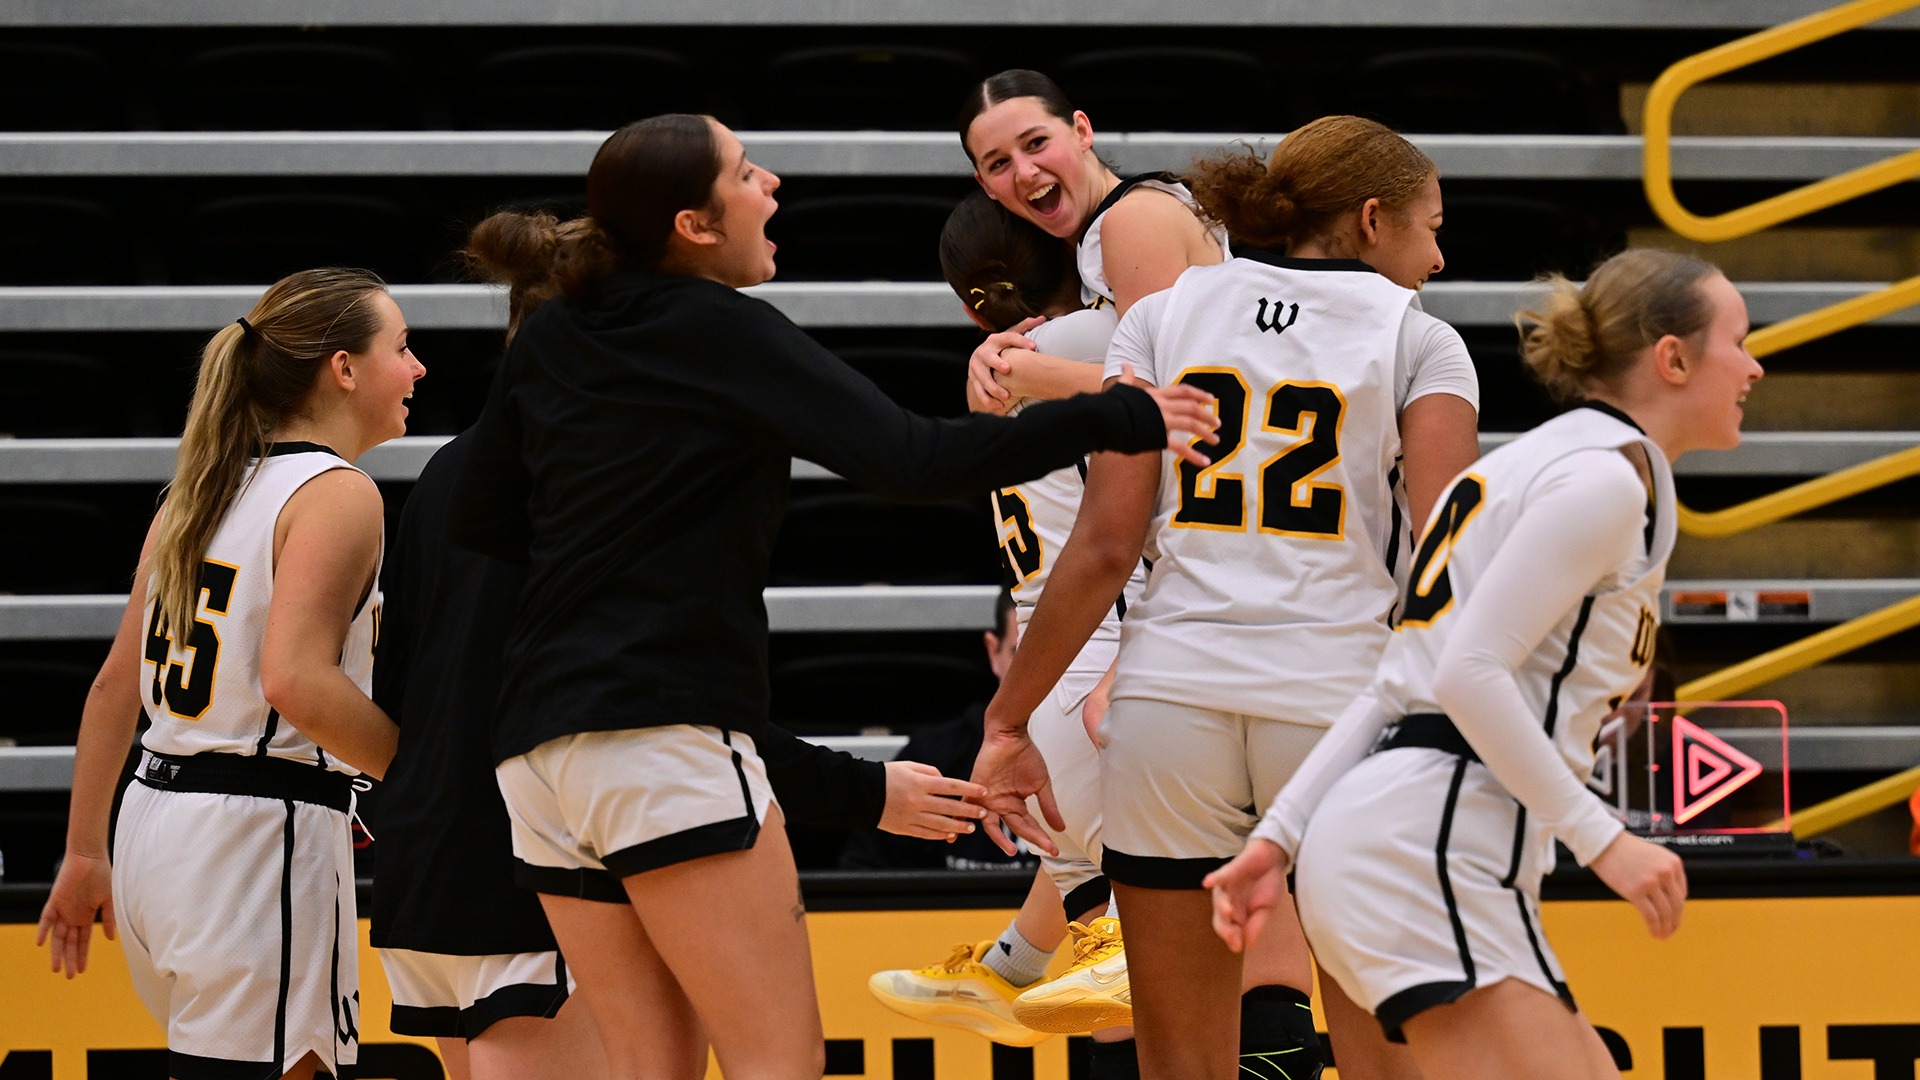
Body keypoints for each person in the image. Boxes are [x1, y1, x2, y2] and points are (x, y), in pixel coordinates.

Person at [441, 113, 1221, 1080]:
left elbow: (476, 516)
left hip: (537, 756)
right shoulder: (716, 324)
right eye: (746, 172)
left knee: (651, 1071)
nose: (771, 185)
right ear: (693, 223)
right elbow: (910, 457)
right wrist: (1120, 411)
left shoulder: (555, 330)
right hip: (662, 732)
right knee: (780, 1065)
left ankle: (1019, 960)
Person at [970, 115, 1483, 1080]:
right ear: (1373, 220)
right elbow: (1448, 569)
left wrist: (1009, 720)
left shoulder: (1162, 317)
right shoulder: (1423, 341)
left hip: (1172, 706)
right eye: (1431, 225)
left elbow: (1106, 544)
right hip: (1335, 704)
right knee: (1387, 1053)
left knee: (1180, 1059)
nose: (1440, 253)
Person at [1209, 248, 1763, 1079]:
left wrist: (1279, 838)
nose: (1755, 365)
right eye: (1740, 340)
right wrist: (1608, 843)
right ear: (1673, 358)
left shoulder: (1533, 463)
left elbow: (1398, 679)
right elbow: (1465, 674)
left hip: (1404, 840)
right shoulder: (1603, 483)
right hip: (1430, 844)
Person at [372, 425, 1001, 1080]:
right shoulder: (605, 464)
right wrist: (862, 792)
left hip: (424, 867)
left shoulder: (450, 469)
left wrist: (428, 797)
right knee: (768, 1059)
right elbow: (650, 714)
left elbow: (397, 691)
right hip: (523, 859)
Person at [36, 268, 424, 1080]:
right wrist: (427, 785)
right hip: (255, 836)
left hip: (153, 824)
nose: (418, 369)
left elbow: (116, 685)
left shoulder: (203, 486)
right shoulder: (337, 492)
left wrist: (83, 854)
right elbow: (295, 680)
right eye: (403, 347)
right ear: (343, 369)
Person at [866, 192, 1138, 1062]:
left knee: (1114, 935)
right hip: (1106, 638)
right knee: (1149, 994)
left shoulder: (995, 364)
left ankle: (1013, 966)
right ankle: (1056, 953)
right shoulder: (1101, 340)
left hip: (1044, 648)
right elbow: (1202, 395)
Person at [956, 68, 1228, 416]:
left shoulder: (1133, 220)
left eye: (1036, 143)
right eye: (1000, 163)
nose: (1025, 172)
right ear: (986, 187)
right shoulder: (1084, 241)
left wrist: (1020, 373)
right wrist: (986, 365)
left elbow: (1170, 392)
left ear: (1082, 131)